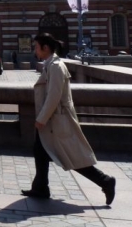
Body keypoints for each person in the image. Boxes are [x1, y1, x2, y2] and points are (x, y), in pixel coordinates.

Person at [22, 33, 116, 205]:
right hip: (52, 119)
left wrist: (41, 118)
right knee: (40, 152)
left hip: (57, 120)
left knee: (70, 156)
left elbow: (54, 96)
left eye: (36, 46)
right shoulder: (50, 65)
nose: (35, 50)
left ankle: (105, 181)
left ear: (45, 48)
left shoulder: (56, 66)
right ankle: (40, 187)